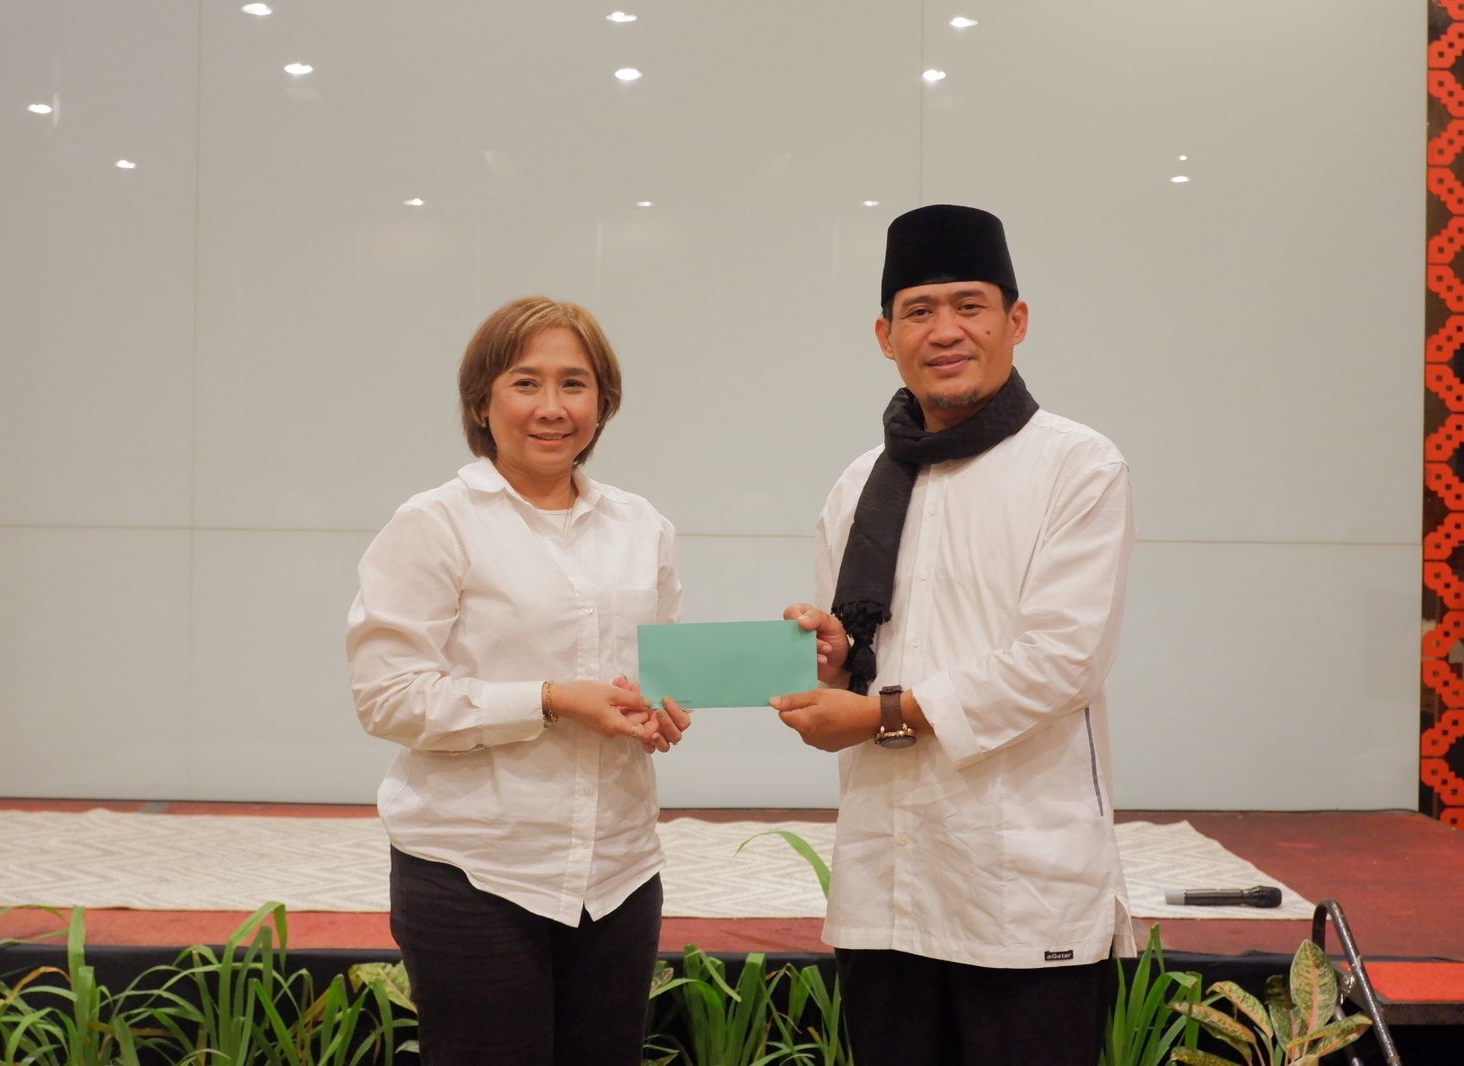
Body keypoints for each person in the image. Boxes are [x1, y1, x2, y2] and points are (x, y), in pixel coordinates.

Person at [771, 204, 1135, 1066]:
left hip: (1021, 893)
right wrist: (833, 663)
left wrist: (879, 713)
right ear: (883, 334)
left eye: (969, 306)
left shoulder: (1077, 465)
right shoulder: (858, 483)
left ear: (1016, 321)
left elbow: (1061, 662)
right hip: (885, 886)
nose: (945, 330)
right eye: (919, 310)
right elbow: (858, 669)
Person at [345, 295, 691, 1066]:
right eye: (525, 383)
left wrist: (661, 711)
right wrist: (547, 700)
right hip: (476, 869)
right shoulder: (435, 522)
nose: (552, 407)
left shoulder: (644, 527)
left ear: (603, 401)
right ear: (482, 400)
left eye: (574, 384)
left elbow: (654, 669)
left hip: (619, 871)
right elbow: (389, 696)